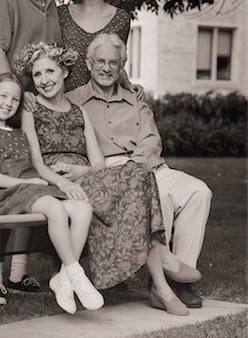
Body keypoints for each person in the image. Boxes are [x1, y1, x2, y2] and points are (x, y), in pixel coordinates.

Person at [14, 41, 204, 316]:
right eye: (37, 75)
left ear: (64, 72)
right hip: (56, 182)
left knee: (139, 175)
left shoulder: (78, 110)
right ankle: (162, 273)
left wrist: (83, 172)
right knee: (137, 185)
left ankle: (161, 283)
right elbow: (36, 163)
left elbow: (99, 163)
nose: (44, 81)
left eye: (50, 72)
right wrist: (64, 181)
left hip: (87, 177)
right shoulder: (31, 111)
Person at [66, 33, 213, 309]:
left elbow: (151, 140)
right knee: (155, 195)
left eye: (114, 62)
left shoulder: (135, 99)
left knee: (198, 191)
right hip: (107, 172)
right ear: (88, 63)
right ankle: (162, 282)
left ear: (122, 65)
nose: (106, 68)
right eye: (100, 61)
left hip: (146, 164)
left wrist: (136, 166)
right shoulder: (73, 101)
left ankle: (181, 278)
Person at [0, 72, 104, 313]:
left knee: (82, 207)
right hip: (10, 194)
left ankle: (63, 277)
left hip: (33, 191)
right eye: (3, 96)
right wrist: (32, 184)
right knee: (54, 207)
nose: (8, 103)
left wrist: (44, 182)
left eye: (15, 99)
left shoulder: (18, 133)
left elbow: (35, 165)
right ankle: (76, 274)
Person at [0, 0, 71, 303]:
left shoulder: (52, 4)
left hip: (34, 114)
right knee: (1, 193)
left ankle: (18, 273)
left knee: (31, 185)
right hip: (6, 108)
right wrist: (14, 97)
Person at [58, 0, 144, 98]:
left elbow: (116, 63)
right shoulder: (61, 14)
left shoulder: (121, 19)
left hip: (103, 105)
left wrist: (128, 84)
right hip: (66, 104)